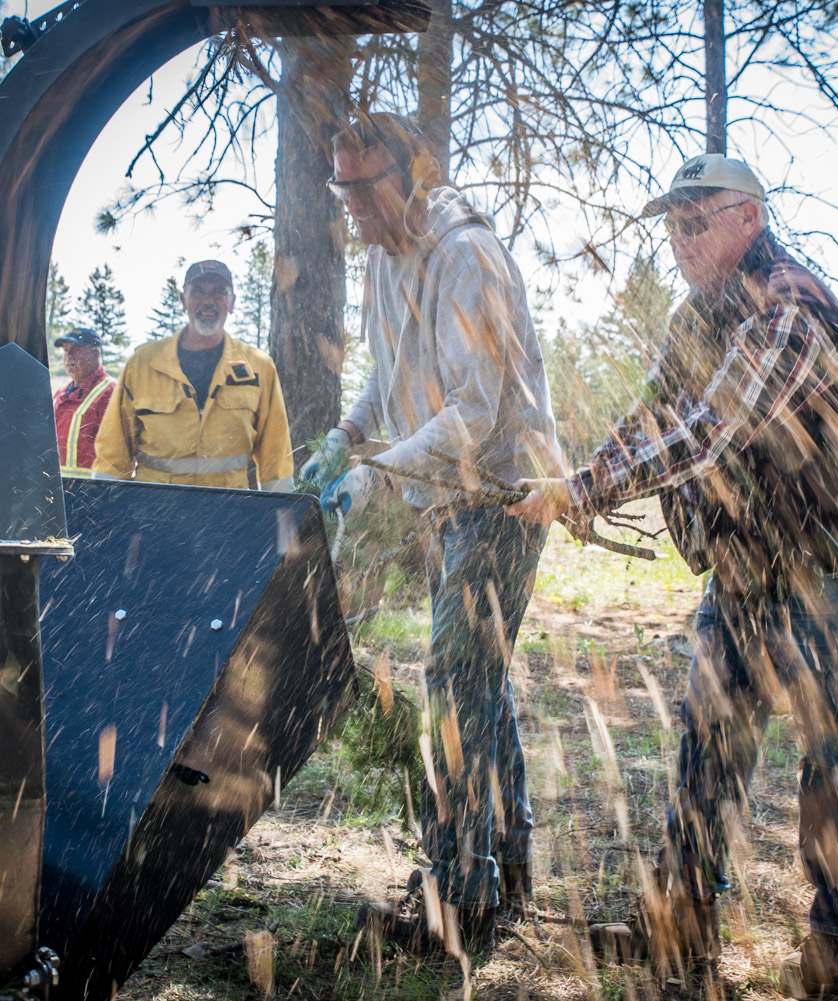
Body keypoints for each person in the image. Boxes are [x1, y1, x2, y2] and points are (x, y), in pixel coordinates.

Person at [507, 154, 838, 999]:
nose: (680, 242)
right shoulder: (697, 318)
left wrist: (585, 490)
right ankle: (677, 932)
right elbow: (653, 414)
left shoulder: (790, 306)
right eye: (672, 227)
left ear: (748, 220)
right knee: (707, 742)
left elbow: (709, 433)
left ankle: (836, 963)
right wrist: (575, 483)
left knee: (833, 754)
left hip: (830, 564)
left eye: (696, 223)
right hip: (747, 563)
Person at [301, 112, 559, 957]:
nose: (354, 211)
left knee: (453, 684)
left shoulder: (466, 254)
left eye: (365, 190)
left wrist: (378, 473)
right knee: (480, 681)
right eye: (343, 191)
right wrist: (348, 432)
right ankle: (507, 868)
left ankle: (461, 897)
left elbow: (473, 412)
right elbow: (392, 369)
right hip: (452, 498)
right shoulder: (385, 255)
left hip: (505, 494)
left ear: (412, 175)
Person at [92, 259, 294, 491]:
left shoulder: (258, 367)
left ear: (232, 302)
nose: (208, 301)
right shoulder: (143, 364)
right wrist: (106, 516)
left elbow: (276, 457)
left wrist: (282, 522)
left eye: (219, 292)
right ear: (183, 300)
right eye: (198, 291)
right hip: (152, 516)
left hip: (229, 517)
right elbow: (112, 454)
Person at [51, 327, 115, 476]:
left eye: (76, 349)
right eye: (66, 351)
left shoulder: (111, 392)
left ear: (95, 354)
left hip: (91, 494)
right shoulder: (60, 393)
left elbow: (117, 456)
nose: (68, 356)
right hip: (59, 492)